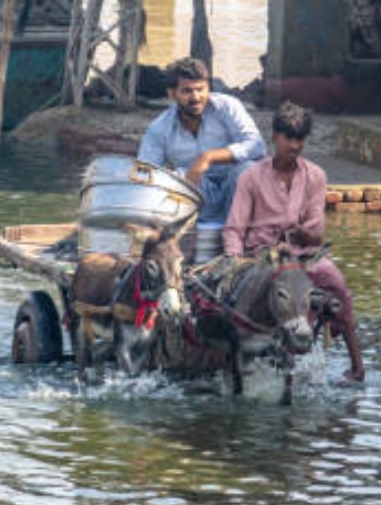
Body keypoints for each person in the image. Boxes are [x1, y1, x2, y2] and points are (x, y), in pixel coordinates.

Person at [222, 101, 365, 383]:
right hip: (263, 257)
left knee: (338, 286)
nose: (294, 145)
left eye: (300, 139)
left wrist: (299, 234)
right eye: (289, 138)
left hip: (305, 256)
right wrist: (235, 261)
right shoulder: (251, 177)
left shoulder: (315, 176)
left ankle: (357, 364)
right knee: (279, 287)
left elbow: (317, 234)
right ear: (275, 136)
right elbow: (234, 229)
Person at [137, 57, 266, 224]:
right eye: (187, 91)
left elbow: (257, 146)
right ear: (171, 94)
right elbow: (144, 171)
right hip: (199, 194)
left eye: (200, 89)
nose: (196, 97)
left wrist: (208, 157)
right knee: (173, 178)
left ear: (208, 88)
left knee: (248, 170)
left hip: (236, 188)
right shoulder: (160, 127)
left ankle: (240, 237)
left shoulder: (228, 107)